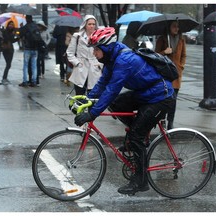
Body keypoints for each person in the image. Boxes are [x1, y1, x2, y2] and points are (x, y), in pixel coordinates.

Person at [74, 27, 175, 195]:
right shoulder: (111, 59)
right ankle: (140, 133)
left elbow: (112, 89)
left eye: (96, 49)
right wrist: (86, 99)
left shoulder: (124, 61)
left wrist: (92, 114)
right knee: (115, 104)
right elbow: (102, 84)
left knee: (135, 136)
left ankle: (141, 181)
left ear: (106, 48)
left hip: (160, 97)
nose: (94, 53)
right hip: (145, 94)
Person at [155, 20, 186, 129]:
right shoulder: (162, 39)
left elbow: (184, 55)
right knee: (165, 99)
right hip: (165, 73)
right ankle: (162, 118)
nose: (176, 29)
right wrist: (164, 52)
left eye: (178, 27)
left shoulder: (181, 40)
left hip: (176, 74)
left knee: (173, 100)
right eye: (174, 26)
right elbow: (155, 55)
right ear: (169, 27)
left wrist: (181, 66)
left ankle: (170, 122)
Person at [66, 15, 102, 95]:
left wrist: (100, 65)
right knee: (79, 96)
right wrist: (77, 63)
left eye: (93, 24)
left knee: (93, 96)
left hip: (94, 69)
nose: (92, 26)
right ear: (85, 25)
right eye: (89, 24)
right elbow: (70, 52)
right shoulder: (77, 36)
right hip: (80, 68)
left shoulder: (100, 37)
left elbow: (104, 54)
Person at [18, 15, 38, 87]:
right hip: (35, 49)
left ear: (26, 19)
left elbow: (20, 35)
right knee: (34, 66)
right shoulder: (36, 26)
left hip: (27, 48)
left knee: (25, 65)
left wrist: (21, 27)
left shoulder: (26, 27)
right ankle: (34, 81)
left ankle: (25, 81)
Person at [1, 21, 19, 85]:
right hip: (6, 50)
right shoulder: (5, 31)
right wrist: (13, 34)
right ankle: (4, 78)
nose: (11, 25)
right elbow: (6, 39)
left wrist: (17, 38)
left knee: (9, 65)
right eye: (10, 24)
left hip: (11, 50)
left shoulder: (12, 32)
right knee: (8, 64)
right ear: (8, 25)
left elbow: (12, 41)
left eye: (12, 24)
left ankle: (5, 78)